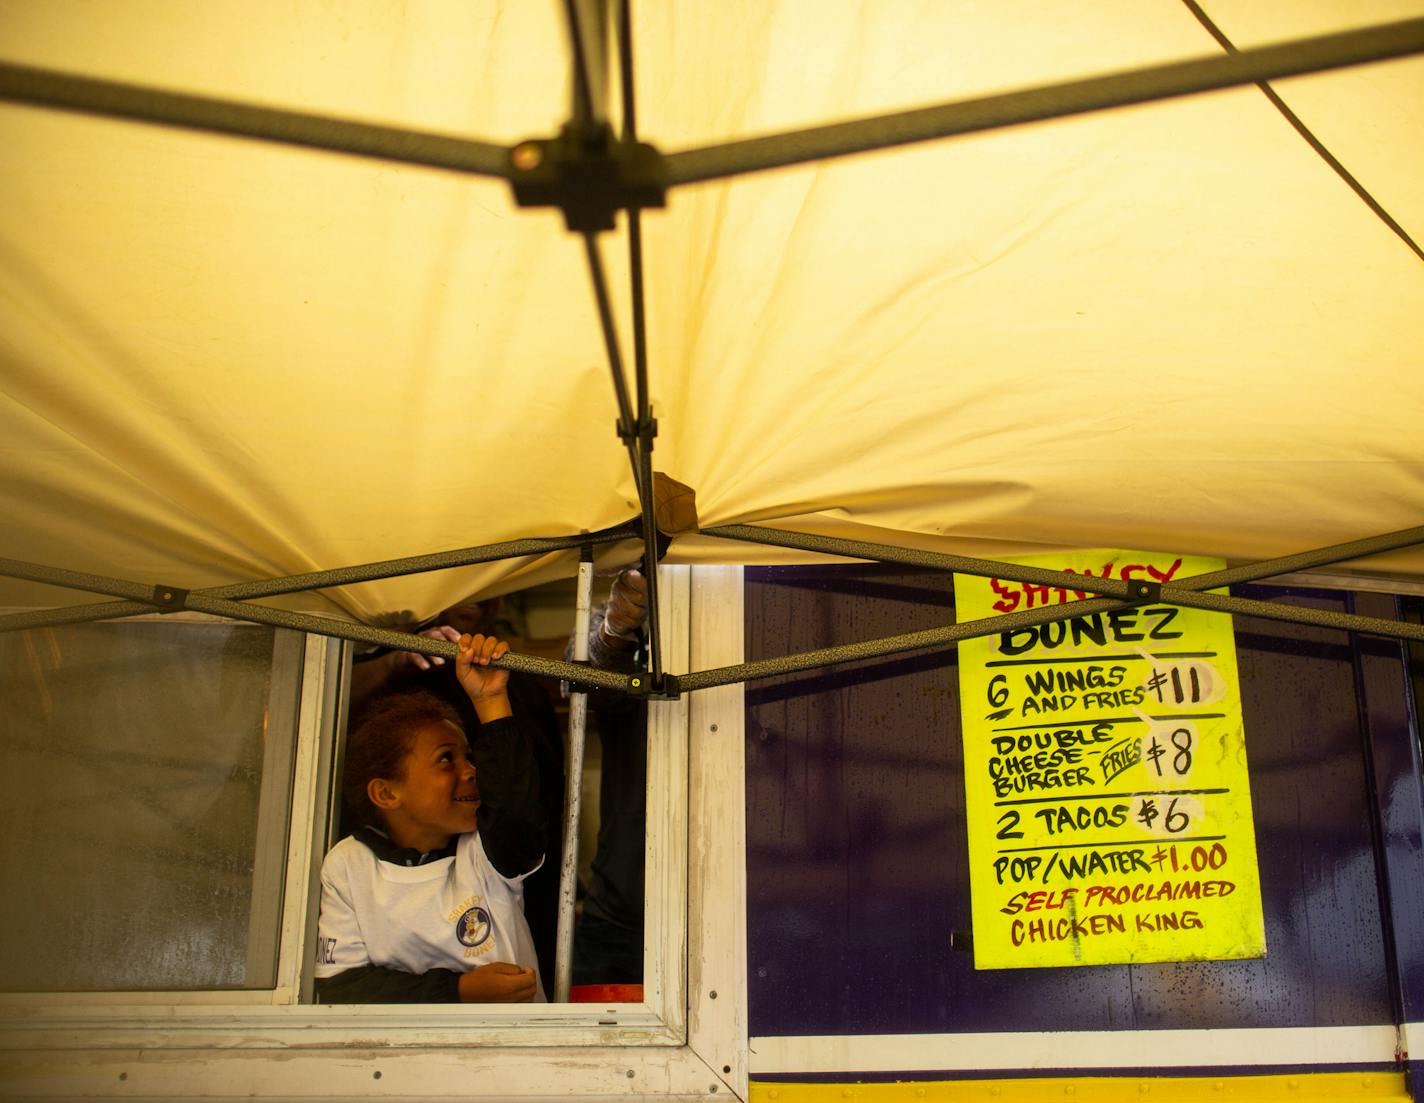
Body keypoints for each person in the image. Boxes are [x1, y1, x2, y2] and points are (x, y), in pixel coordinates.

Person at [347, 600, 566, 992]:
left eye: (471, 755)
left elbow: (515, 809)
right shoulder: (346, 867)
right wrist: (460, 992)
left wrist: (491, 702)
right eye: (446, 759)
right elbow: (342, 988)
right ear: (385, 792)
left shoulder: (488, 856)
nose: (471, 771)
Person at [572, 568, 650, 986]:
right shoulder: (617, 620)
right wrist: (616, 629)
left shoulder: (735, 619)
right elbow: (582, 685)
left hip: (730, 909)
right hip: (620, 918)